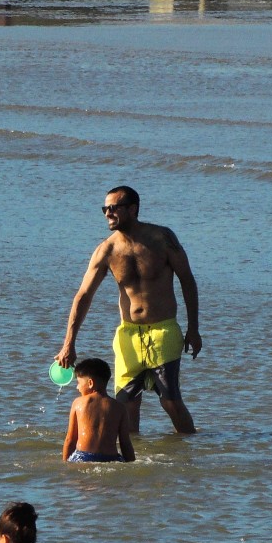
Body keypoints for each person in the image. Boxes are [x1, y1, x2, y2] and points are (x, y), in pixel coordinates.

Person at [56, 185, 201, 434]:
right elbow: (83, 295)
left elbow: (187, 280)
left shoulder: (162, 239)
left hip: (162, 332)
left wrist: (193, 329)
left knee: (170, 401)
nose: (107, 214)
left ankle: (190, 450)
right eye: (105, 209)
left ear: (132, 209)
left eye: (114, 208)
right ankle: (133, 462)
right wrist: (69, 342)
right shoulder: (107, 250)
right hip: (128, 336)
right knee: (126, 405)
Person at [62, 358, 135, 463]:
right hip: (111, 459)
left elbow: (70, 439)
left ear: (90, 383)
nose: (77, 387)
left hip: (83, 457)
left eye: (78, 382)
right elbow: (125, 443)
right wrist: (131, 465)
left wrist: (65, 463)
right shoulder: (120, 407)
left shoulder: (79, 403)